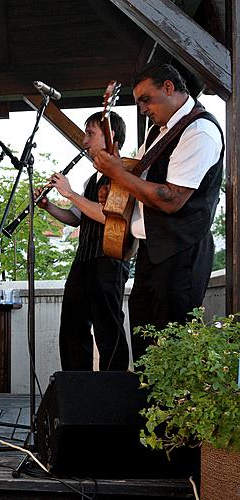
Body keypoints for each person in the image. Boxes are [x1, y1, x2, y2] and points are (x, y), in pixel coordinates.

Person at [93, 63, 223, 363]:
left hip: (182, 251)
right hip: (153, 251)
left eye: (146, 99)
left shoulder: (200, 130)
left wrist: (119, 175)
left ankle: (170, 411)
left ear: (168, 87)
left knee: (171, 345)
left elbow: (171, 199)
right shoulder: (157, 132)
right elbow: (136, 177)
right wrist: (114, 186)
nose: (142, 109)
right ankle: (147, 409)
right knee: (145, 341)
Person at [35, 111, 130, 371]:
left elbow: (108, 216)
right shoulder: (93, 179)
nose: (85, 142)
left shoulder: (124, 174)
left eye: (91, 134)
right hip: (84, 261)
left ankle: (114, 391)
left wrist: (69, 192)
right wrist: (49, 205)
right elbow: (77, 218)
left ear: (111, 139)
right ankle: (78, 388)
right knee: (72, 328)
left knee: (107, 329)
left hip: (109, 261)